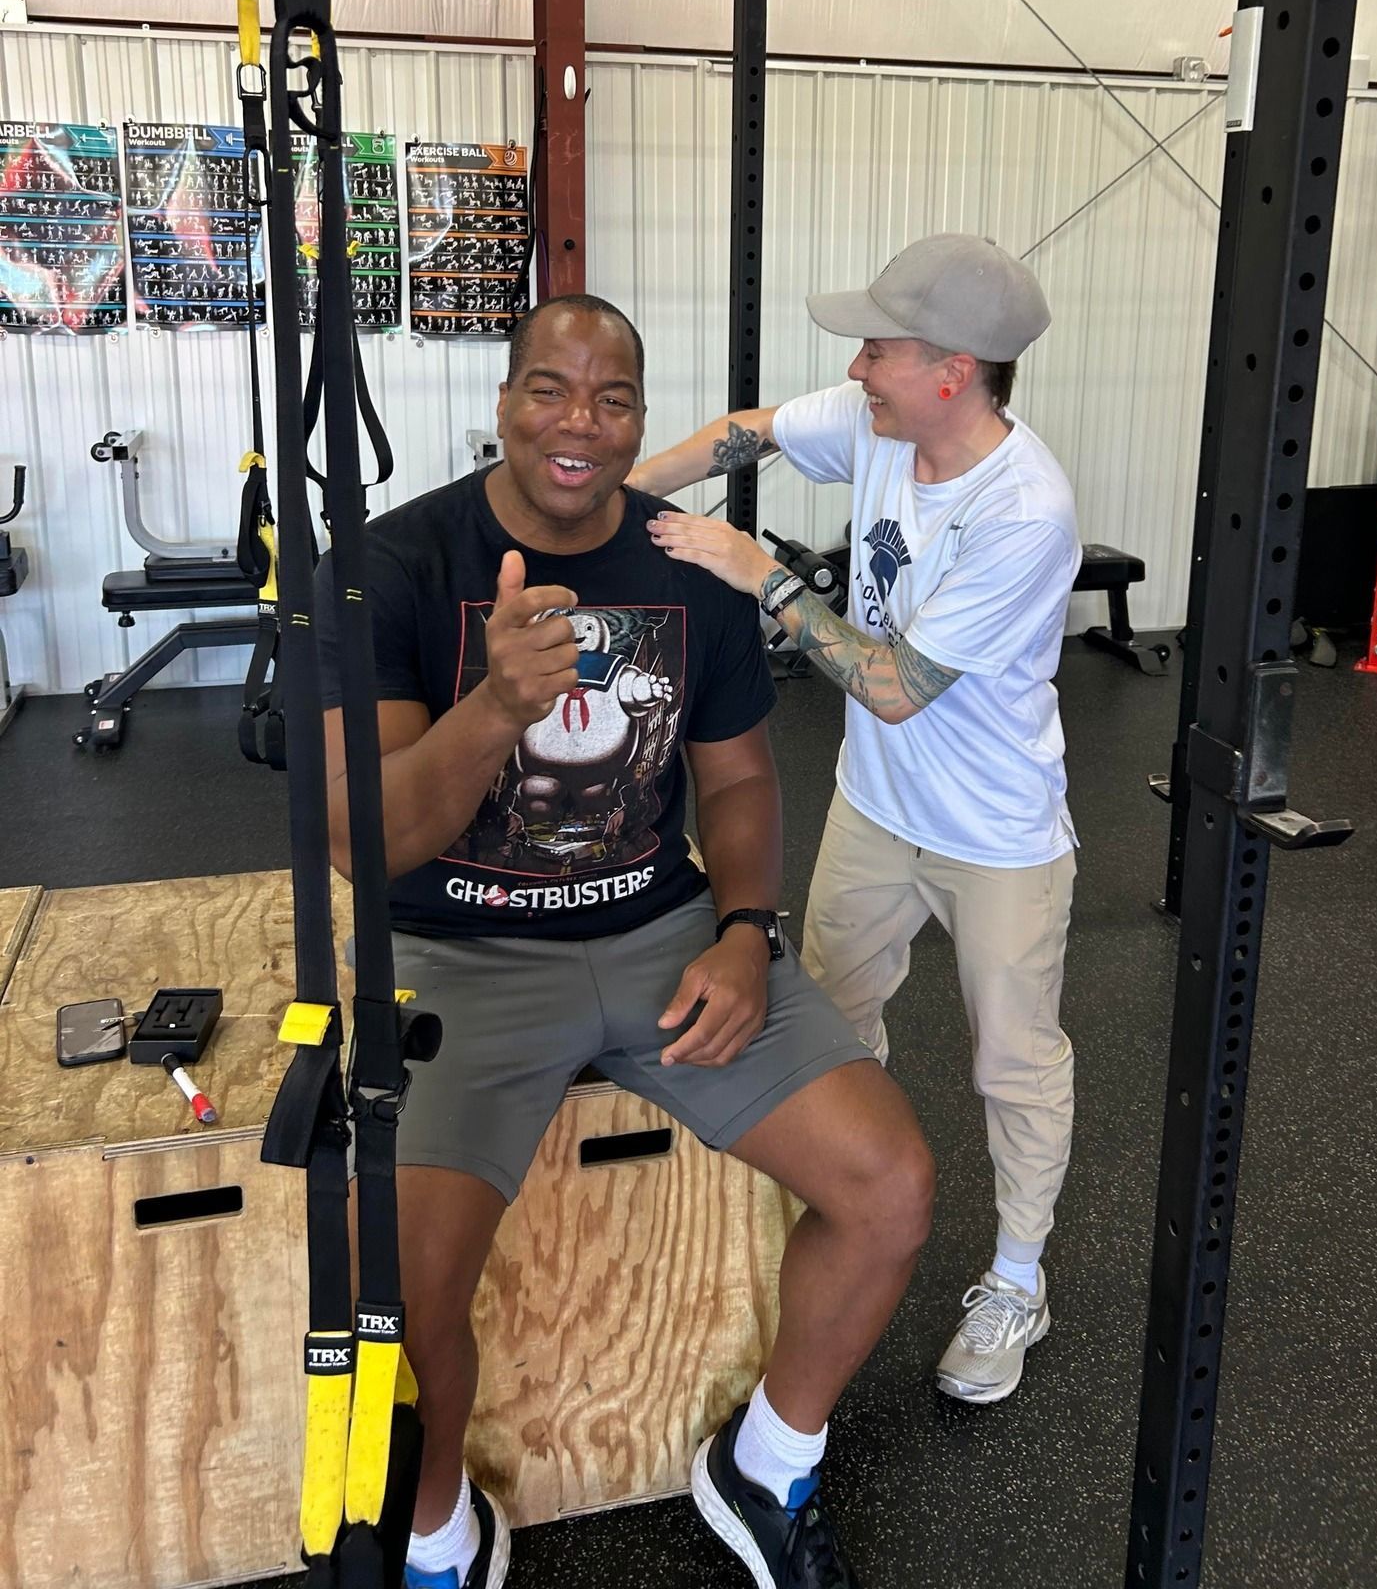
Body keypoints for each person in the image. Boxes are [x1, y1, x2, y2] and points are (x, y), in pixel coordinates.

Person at [314, 293, 934, 1589]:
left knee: (891, 1186)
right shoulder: (392, 565)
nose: (578, 425)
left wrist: (747, 932)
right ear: (503, 402)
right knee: (400, 1292)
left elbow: (745, 784)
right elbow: (364, 845)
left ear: (641, 417)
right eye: (550, 390)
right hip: (461, 951)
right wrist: (493, 705)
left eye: (611, 399)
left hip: (663, 935)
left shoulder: (687, 565)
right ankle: (437, 1533)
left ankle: (766, 1466)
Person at [636, 233, 1080, 1408]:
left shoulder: (1026, 511)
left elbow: (891, 685)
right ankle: (847, 1219)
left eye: (880, 348)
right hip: (877, 810)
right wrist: (607, 496)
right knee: (826, 1027)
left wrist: (760, 574)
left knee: (1012, 1064)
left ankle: (1016, 1278)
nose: (860, 364)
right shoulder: (879, 419)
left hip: (997, 833)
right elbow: (751, 427)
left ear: (956, 371)